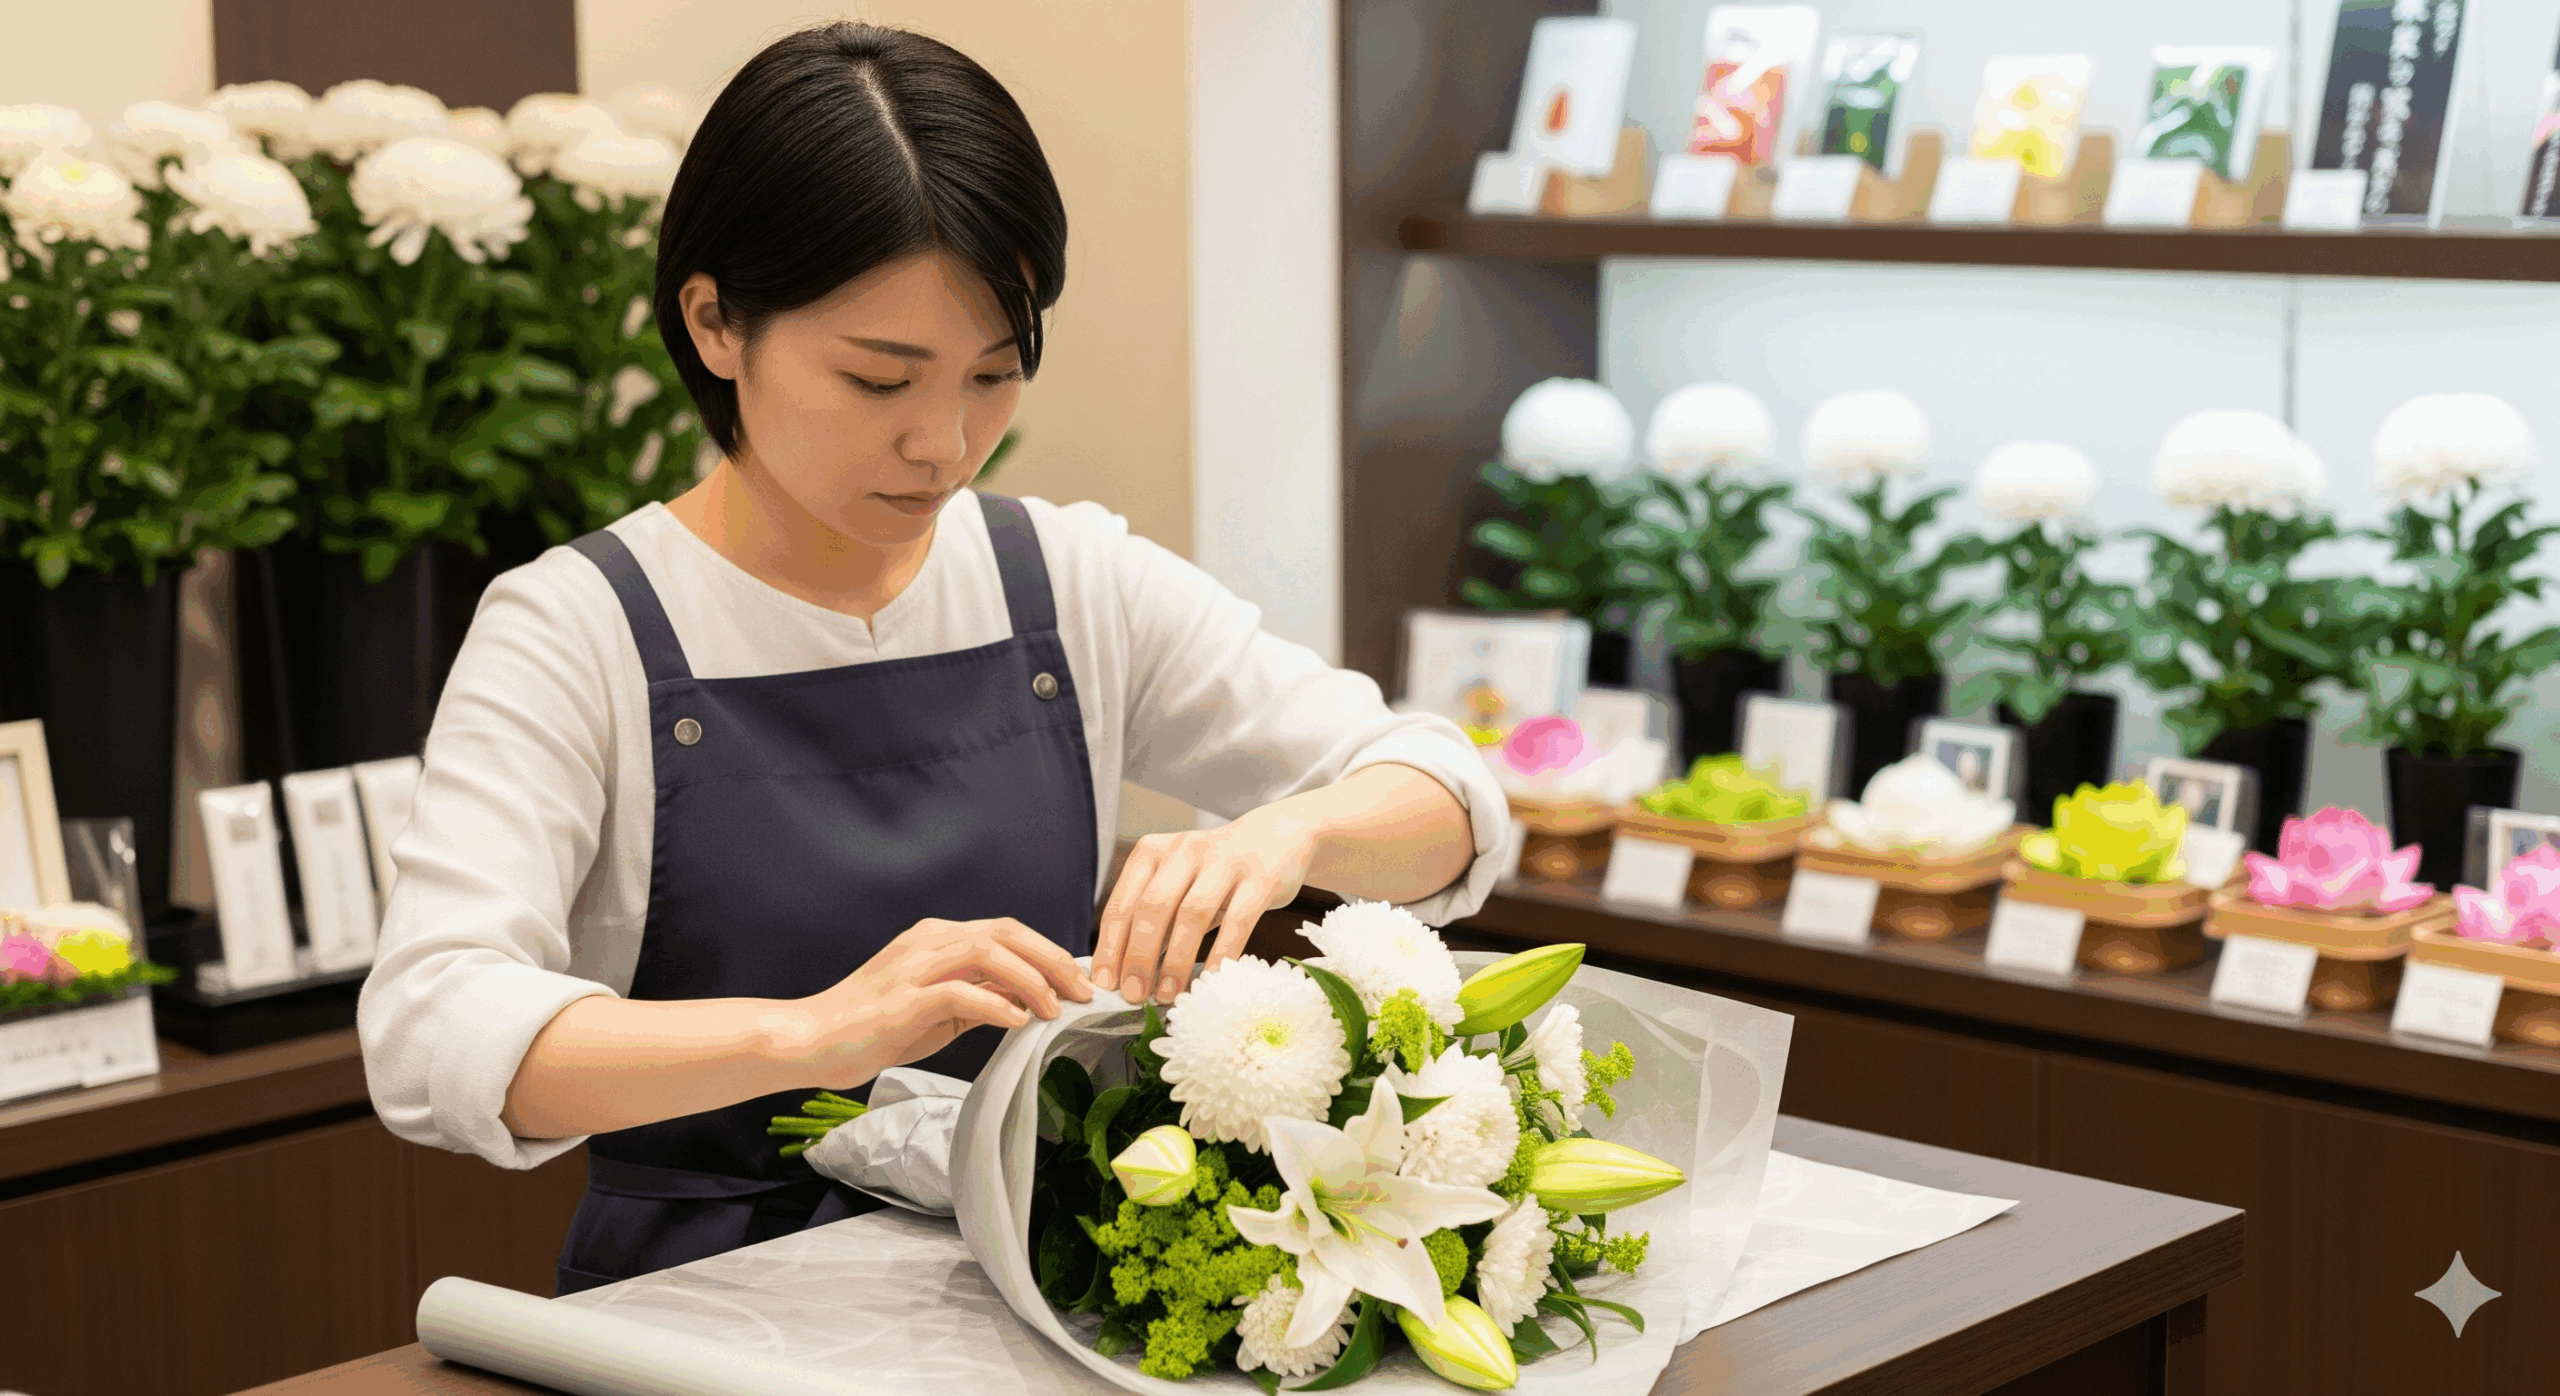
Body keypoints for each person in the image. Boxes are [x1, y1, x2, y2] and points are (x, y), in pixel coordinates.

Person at [355, 22, 1504, 1297]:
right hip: (693, 1310)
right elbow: (431, 1029)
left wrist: (1287, 836)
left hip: (1037, 1285)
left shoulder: (1066, 583)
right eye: (878, 378)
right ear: (715, 322)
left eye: (992, 375)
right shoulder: (577, 628)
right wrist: (809, 1034)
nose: (945, 444)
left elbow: (1445, 795)